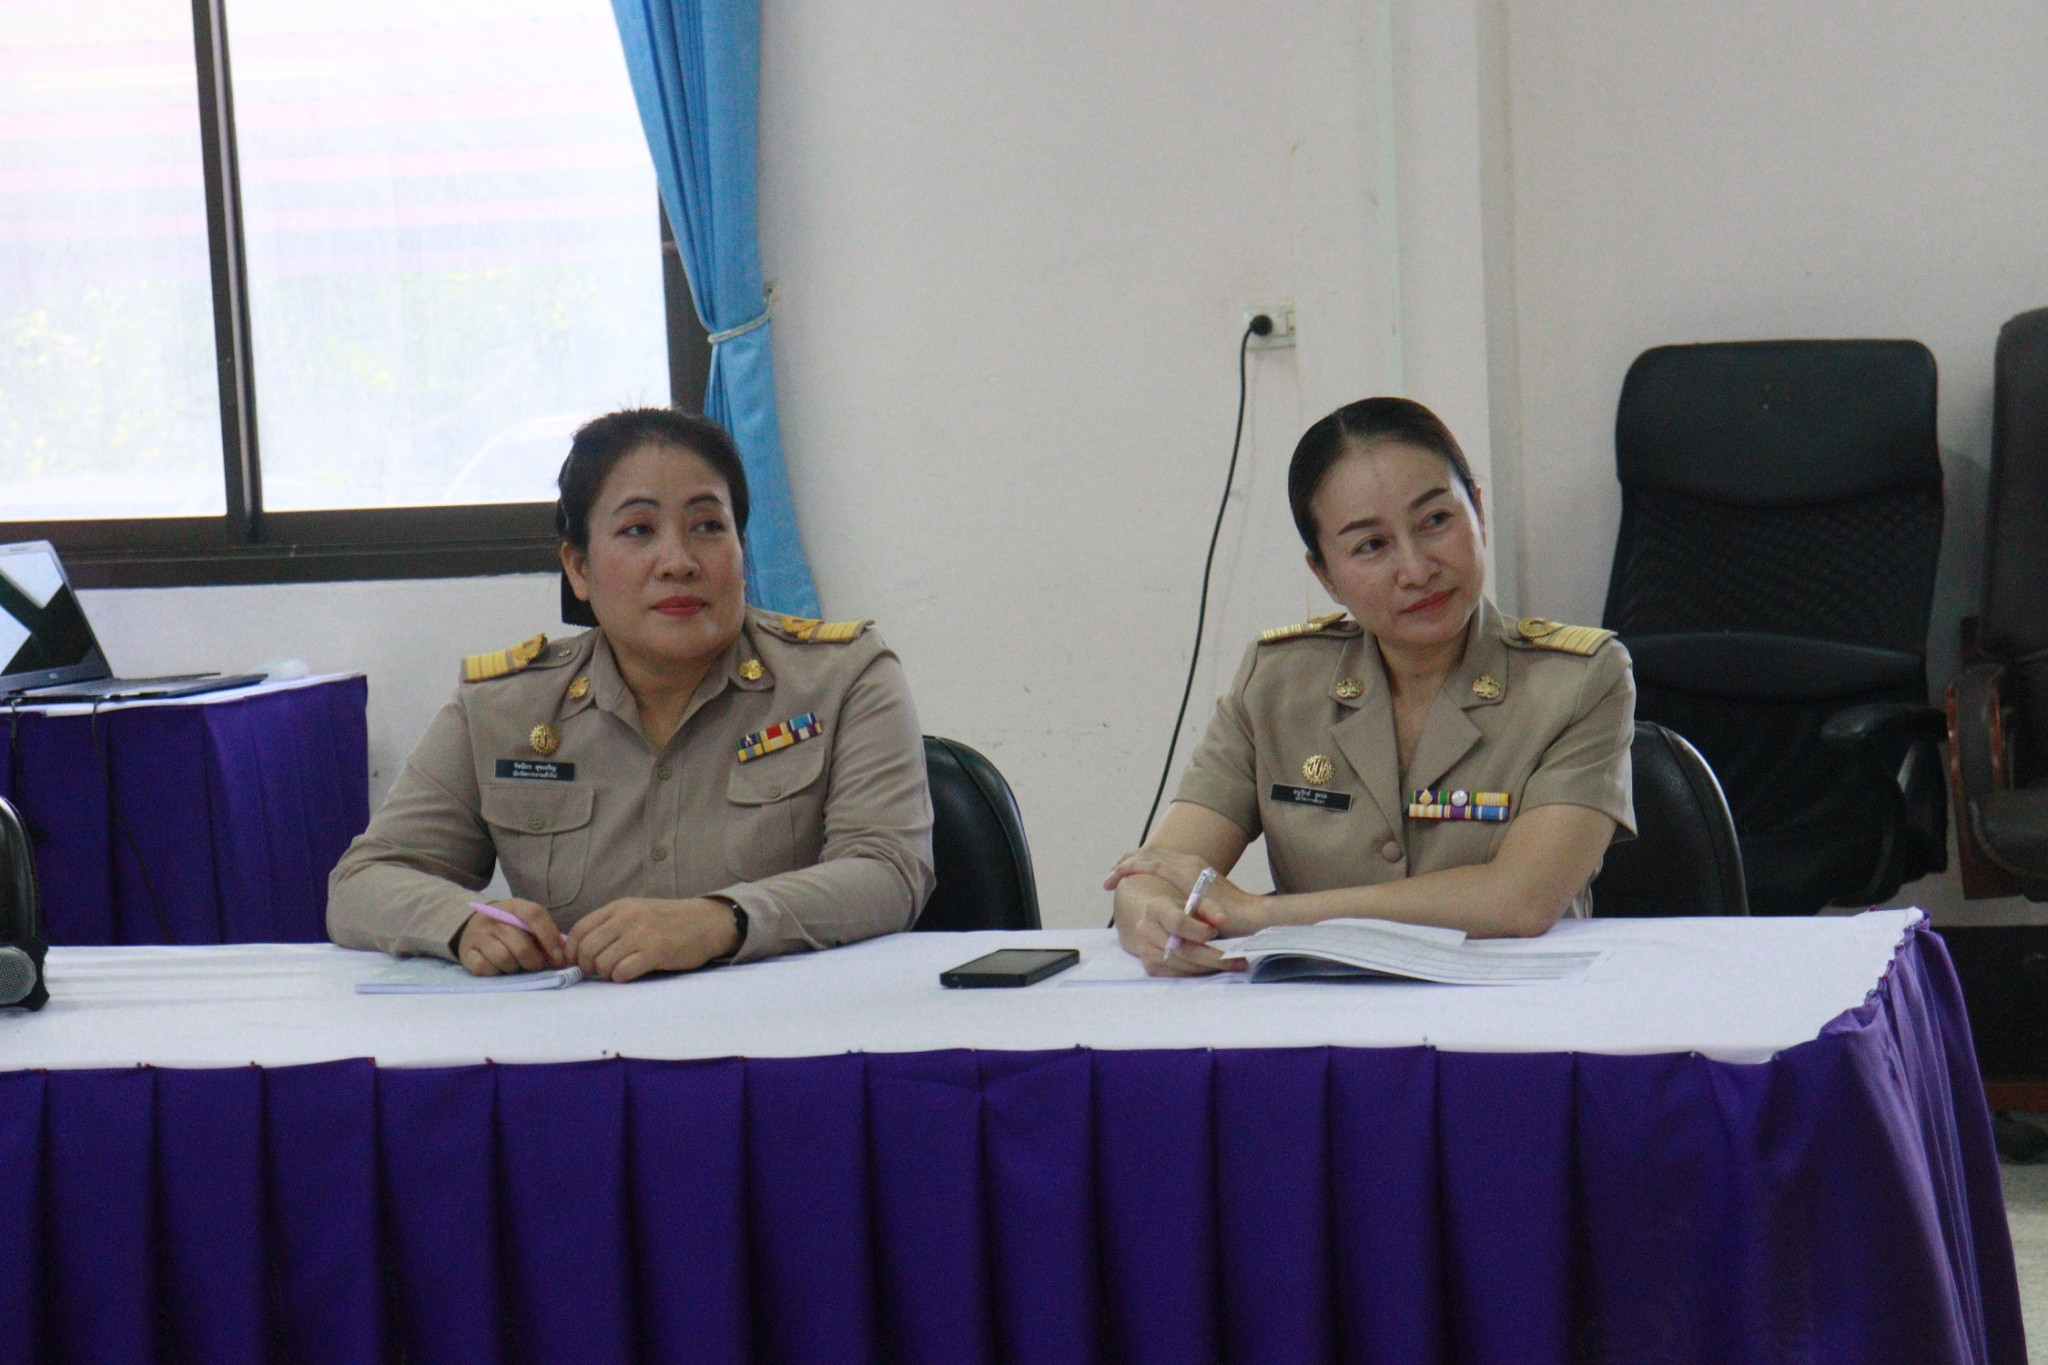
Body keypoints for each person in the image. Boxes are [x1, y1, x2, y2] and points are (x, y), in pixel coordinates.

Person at [328, 408, 934, 980]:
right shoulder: (504, 709)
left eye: (708, 526)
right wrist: (461, 924)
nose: (678, 561)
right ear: (579, 568)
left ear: (741, 548)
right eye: (638, 530)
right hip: (581, 1039)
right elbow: (363, 882)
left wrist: (722, 920)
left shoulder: (842, 677)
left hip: (786, 1031)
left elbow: (888, 870)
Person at [1107, 397, 1635, 975]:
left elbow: (1521, 899)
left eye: (1436, 521)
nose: (1417, 570)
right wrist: (1154, 918)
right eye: (1371, 546)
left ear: (1478, 513)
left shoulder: (1578, 681)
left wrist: (1263, 915)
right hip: (1318, 1013)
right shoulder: (1278, 682)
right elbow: (1156, 873)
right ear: (1325, 575)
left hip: (1513, 1007)